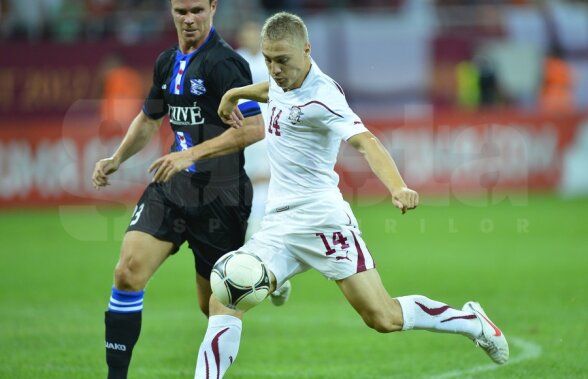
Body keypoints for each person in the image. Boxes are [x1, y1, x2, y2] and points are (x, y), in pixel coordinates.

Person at [185, 12, 509, 378]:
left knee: (383, 317)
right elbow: (270, 91)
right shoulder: (282, 78)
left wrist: (398, 186)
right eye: (270, 60)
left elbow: (366, 142)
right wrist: (234, 94)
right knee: (223, 300)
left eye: (283, 61)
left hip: (323, 221)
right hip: (279, 224)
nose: (274, 70)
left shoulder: (323, 97)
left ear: (307, 50)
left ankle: (471, 321)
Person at [91, 1, 278, 378]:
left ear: (212, 7)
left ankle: (273, 277)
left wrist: (188, 153)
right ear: (171, 11)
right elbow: (149, 117)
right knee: (127, 272)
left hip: (221, 197)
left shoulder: (225, 64)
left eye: (196, 9)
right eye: (180, 11)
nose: (189, 19)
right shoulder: (166, 62)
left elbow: (253, 129)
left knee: (213, 306)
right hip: (172, 187)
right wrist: (117, 158)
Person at [236, 21, 271, 238]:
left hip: (269, 126)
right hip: (244, 126)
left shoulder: (269, 60)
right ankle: (251, 223)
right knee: (249, 179)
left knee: (264, 178)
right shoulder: (236, 59)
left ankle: (258, 225)